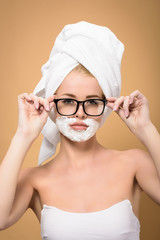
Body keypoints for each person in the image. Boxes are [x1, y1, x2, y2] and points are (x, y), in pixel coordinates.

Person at [0, 22, 160, 240]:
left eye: (92, 101)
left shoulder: (134, 164)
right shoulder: (33, 179)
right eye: (68, 100)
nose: (80, 113)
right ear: (51, 104)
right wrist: (23, 134)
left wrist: (146, 129)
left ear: (105, 106)